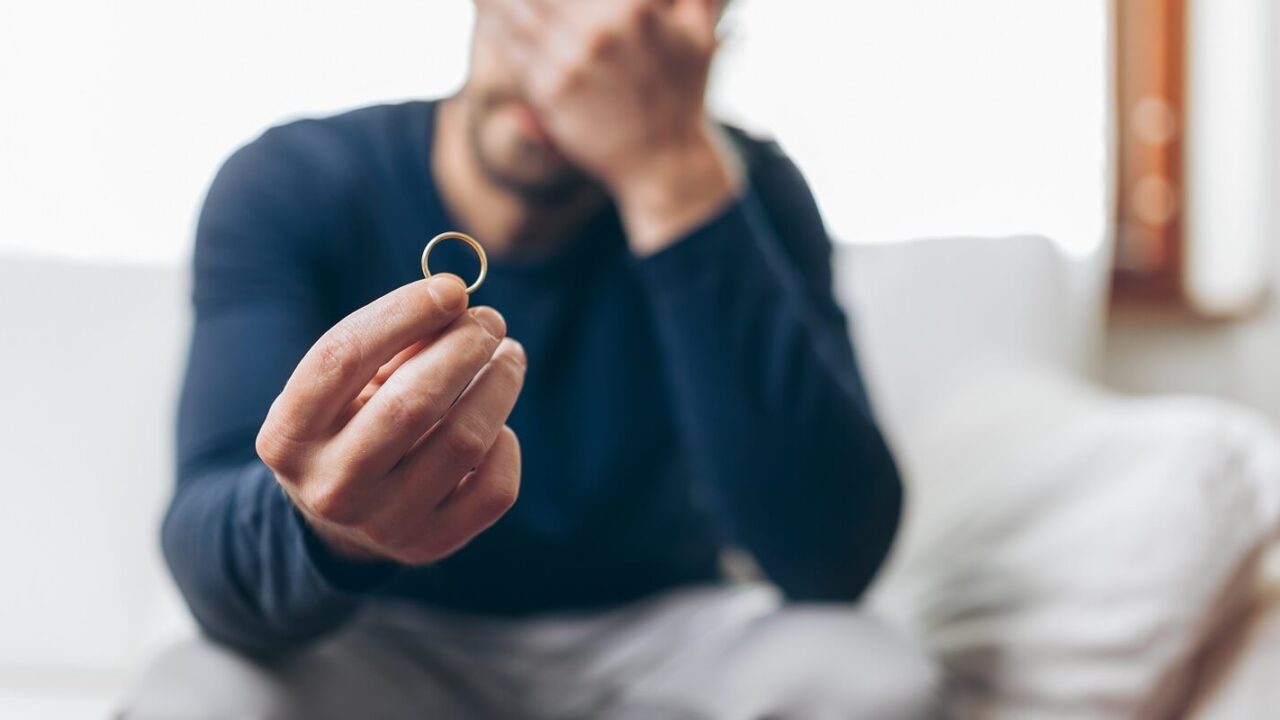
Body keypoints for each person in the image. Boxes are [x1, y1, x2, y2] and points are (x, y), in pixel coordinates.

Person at [124, 0, 937, 717]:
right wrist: (331, 526)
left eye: (629, 30)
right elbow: (208, 548)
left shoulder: (745, 192)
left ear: (694, 51)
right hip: (382, 640)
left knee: (873, 679)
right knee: (192, 698)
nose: (575, 63)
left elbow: (832, 561)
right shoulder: (296, 181)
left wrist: (669, 168)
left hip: (657, 639)